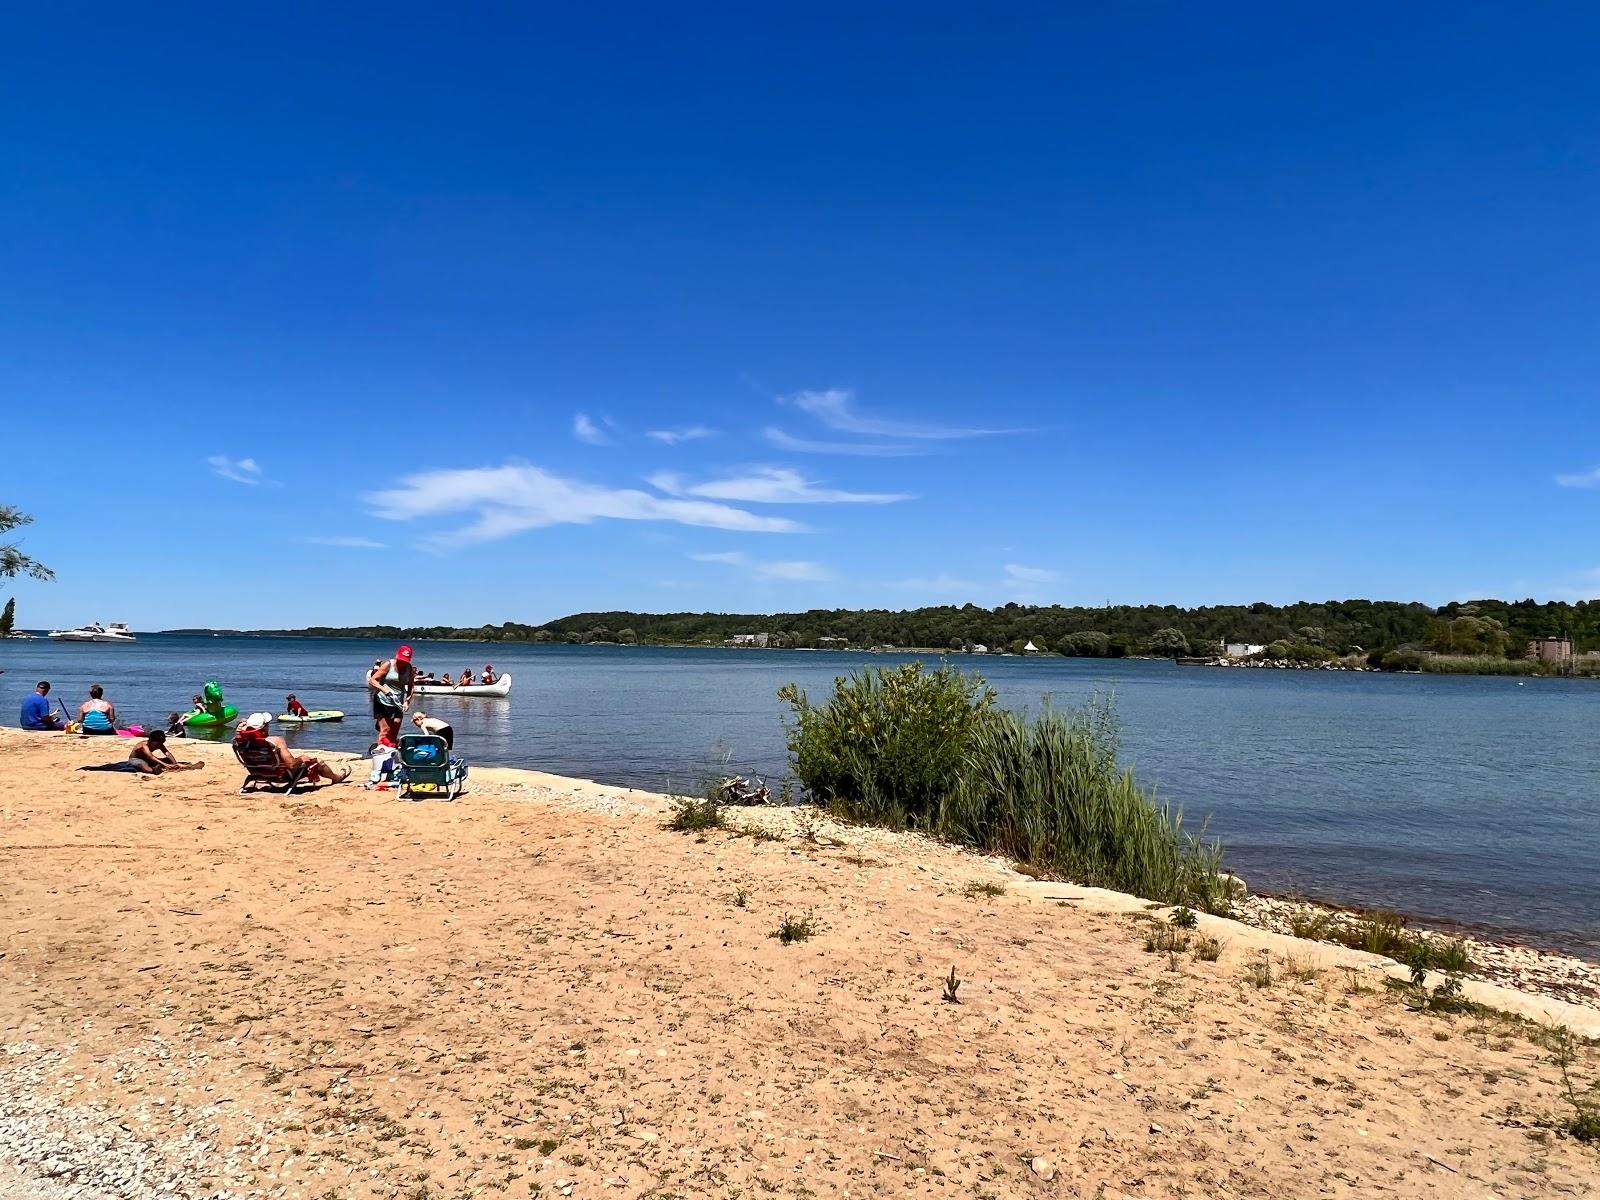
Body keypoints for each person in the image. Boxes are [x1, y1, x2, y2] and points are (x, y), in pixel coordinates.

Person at [236, 713, 351, 784]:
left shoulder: (241, 742)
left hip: (258, 773)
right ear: (264, 728)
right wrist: (301, 758)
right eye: (268, 724)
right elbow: (291, 764)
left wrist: (244, 726)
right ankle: (336, 778)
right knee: (318, 762)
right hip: (281, 775)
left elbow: (240, 728)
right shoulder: (276, 741)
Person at [365, 646, 417, 743]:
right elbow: (373, 680)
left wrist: (407, 701)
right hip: (382, 700)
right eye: (401, 659)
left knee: (395, 728)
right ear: (397, 656)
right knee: (385, 730)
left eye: (405, 660)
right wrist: (384, 689)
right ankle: (381, 751)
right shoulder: (388, 665)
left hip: (398, 702)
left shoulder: (409, 668)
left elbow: (411, 686)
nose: (402, 662)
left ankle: (391, 750)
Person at [128, 729, 201, 775]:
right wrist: (165, 764)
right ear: (151, 741)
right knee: (142, 765)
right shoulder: (143, 745)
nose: (158, 746)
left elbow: (167, 753)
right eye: (156, 744)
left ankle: (190, 767)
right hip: (135, 759)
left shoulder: (159, 744)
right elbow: (151, 756)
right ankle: (153, 771)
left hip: (148, 759)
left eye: (160, 744)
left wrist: (174, 763)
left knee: (167, 760)